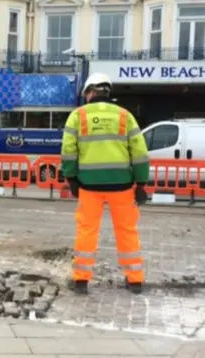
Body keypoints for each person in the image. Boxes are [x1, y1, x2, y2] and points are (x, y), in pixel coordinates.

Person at [60, 72, 150, 295]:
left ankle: (81, 281)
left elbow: (68, 151)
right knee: (127, 231)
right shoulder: (125, 116)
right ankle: (135, 280)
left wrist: (71, 178)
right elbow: (139, 152)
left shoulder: (77, 116)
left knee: (87, 231)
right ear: (108, 91)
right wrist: (141, 183)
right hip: (122, 186)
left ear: (89, 92)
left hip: (89, 187)